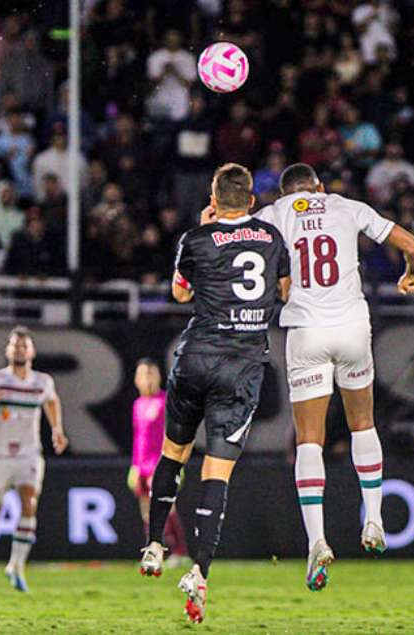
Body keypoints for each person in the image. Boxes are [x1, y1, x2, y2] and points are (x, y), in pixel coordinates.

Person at [254, 163, 414, 591]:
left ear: (285, 192)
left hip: (306, 331)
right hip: (351, 327)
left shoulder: (275, 214)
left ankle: (317, 541)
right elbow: (410, 244)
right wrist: (411, 272)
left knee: (309, 439)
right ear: (320, 188)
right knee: (362, 424)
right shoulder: (346, 206)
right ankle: (375, 520)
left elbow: (239, 241)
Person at [138, 164, 291, 623]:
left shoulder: (196, 240)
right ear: (250, 200)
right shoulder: (270, 238)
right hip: (241, 366)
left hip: (195, 357)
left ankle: (152, 545)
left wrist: (207, 233)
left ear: (213, 197)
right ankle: (199, 572)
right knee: (216, 473)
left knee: (172, 454)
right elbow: (282, 290)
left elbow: (180, 295)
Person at [0, 326, 67, 593]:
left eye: (24, 346)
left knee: (29, 502)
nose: (19, 350)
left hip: (28, 453)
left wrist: (57, 429)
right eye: (15, 345)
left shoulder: (41, 381)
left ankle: (16, 566)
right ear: (8, 350)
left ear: (31, 351)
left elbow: (51, 401)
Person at [128, 359, 187, 567]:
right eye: (143, 374)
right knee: (146, 511)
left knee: (166, 507)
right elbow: (138, 437)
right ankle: (154, 552)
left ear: (159, 376)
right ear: (136, 379)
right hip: (141, 465)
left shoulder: (165, 402)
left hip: (160, 463)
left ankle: (179, 551)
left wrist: (174, 463)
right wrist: (135, 465)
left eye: (151, 374)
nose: (147, 379)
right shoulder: (138, 404)